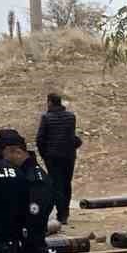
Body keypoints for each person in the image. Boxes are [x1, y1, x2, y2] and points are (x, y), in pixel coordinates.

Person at [35, 93, 82, 224]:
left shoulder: (46, 117)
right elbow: (71, 137)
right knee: (66, 183)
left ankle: (61, 213)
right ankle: (65, 213)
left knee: (56, 184)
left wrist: (44, 154)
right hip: (68, 156)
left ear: (50, 102)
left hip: (52, 157)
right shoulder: (71, 117)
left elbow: (40, 139)